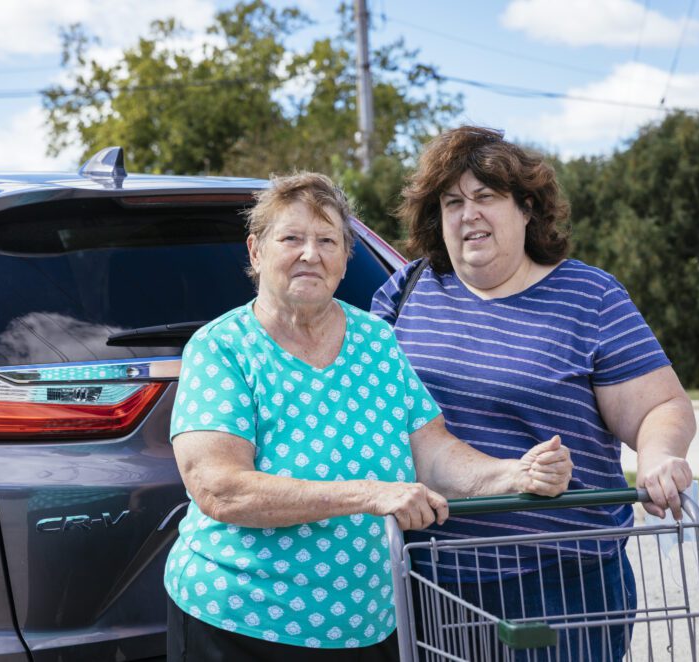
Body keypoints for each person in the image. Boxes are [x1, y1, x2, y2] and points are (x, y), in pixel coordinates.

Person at [164, 172, 573, 661]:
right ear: (256, 251)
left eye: (327, 240)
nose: (310, 254)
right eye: (291, 238)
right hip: (243, 623)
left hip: (369, 624)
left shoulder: (376, 341)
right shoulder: (222, 347)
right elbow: (220, 487)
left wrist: (513, 473)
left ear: (344, 258)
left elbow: (432, 451)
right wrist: (369, 493)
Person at [371, 126, 696, 660]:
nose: (467, 214)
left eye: (486, 197)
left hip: (562, 581)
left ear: (526, 208)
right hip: (431, 573)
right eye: (452, 202)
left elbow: (660, 405)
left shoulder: (587, 296)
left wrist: (661, 457)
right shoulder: (407, 290)